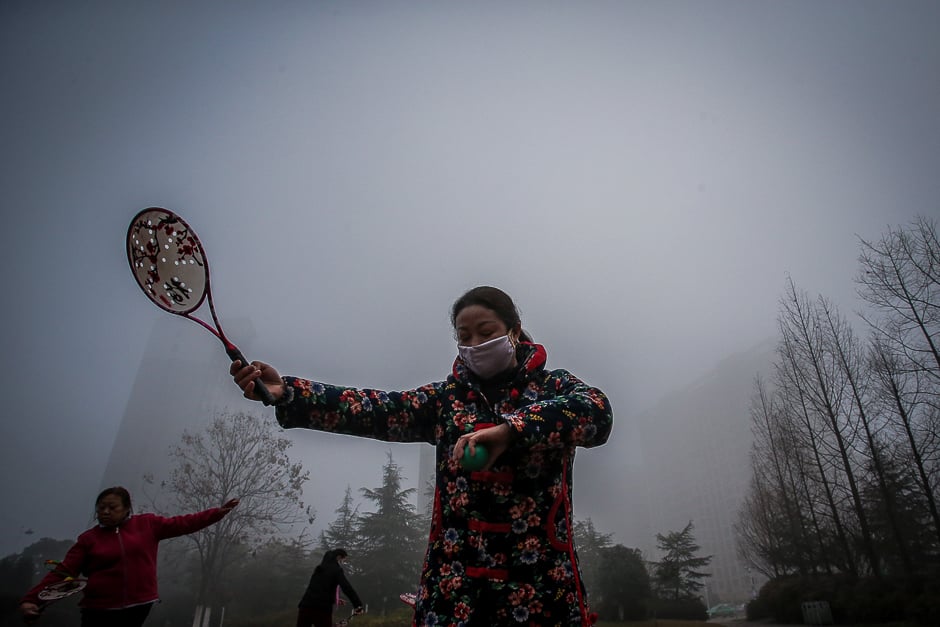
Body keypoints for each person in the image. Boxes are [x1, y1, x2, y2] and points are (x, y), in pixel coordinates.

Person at [231, 286, 613, 626]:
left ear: (513, 331)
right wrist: (289, 393)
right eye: (464, 336)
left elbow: (597, 412)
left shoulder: (553, 387)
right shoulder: (445, 400)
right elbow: (372, 408)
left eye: (486, 332)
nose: (475, 343)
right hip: (454, 588)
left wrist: (510, 431)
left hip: (540, 586)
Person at [19, 486, 239, 626]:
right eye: (101, 508)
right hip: (98, 610)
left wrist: (216, 514)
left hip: (139, 605)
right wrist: (32, 599)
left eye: (112, 507)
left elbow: (183, 523)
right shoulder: (88, 539)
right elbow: (63, 572)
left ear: (126, 509)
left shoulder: (148, 524)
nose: (105, 511)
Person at [297, 548, 364, 627]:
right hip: (322, 609)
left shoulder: (319, 568)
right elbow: (346, 587)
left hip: (305, 607)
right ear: (339, 557)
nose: (342, 563)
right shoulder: (336, 570)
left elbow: (319, 589)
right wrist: (357, 605)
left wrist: (336, 599)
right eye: (343, 560)